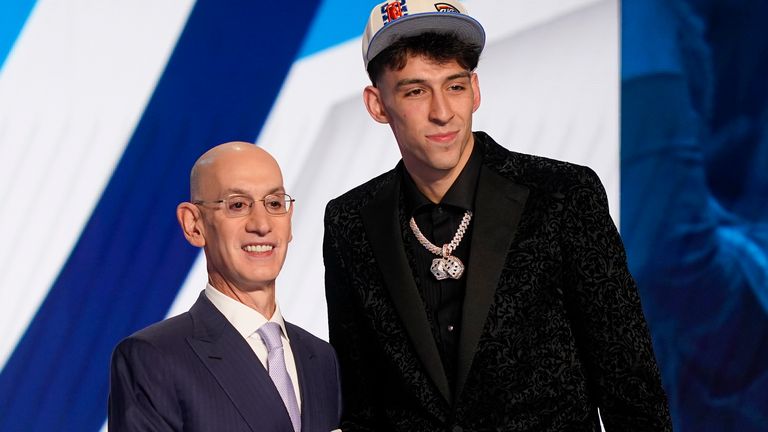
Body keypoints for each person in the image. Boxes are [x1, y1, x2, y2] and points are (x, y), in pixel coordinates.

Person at [322, 1, 672, 430]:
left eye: (454, 86)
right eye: (415, 91)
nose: (442, 111)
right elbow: (361, 403)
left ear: (476, 90)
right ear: (377, 105)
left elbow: (630, 382)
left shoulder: (562, 195)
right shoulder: (350, 222)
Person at [109, 142, 341, 432]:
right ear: (194, 224)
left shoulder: (320, 358)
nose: (262, 224)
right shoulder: (153, 357)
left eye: (274, 203)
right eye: (237, 205)